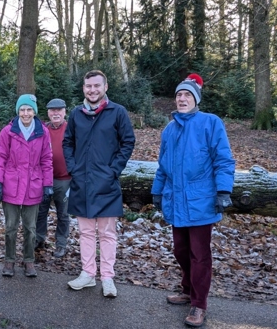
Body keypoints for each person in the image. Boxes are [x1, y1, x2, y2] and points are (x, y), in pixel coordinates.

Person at [151, 74, 235, 328]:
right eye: (178, 95)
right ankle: (187, 289)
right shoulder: (170, 129)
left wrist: (223, 190)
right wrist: (157, 191)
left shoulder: (211, 123)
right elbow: (163, 166)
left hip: (201, 201)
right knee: (181, 250)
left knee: (200, 254)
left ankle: (199, 304)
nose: (182, 98)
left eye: (187, 94)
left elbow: (223, 160)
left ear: (196, 98)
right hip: (176, 201)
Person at [63, 70, 135, 298]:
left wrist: (114, 170)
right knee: (85, 232)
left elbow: (128, 141)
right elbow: (67, 142)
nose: (92, 90)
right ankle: (87, 274)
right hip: (81, 181)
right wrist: (73, 168)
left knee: (107, 233)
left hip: (106, 183)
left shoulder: (117, 112)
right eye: (88, 86)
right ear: (83, 88)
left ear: (105, 87)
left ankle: (107, 277)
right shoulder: (76, 113)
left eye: (96, 86)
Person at [0, 94, 53, 277]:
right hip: (12, 183)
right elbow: (0, 157)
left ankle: (29, 261)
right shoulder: (8, 131)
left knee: (30, 228)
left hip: (33, 185)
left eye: (29, 109)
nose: (25, 113)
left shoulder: (42, 131)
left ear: (34, 111)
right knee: (11, 226)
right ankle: (9, 261)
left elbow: (46, 159)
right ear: (18, 111)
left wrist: (47, 184)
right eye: (22, 110)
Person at [35, 98, 71, 258]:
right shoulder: (42, 129)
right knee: (40, 211)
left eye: (59, 110)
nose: (55, 113)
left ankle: (61, 244)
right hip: (43, 179)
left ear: (64, 112)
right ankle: (39, 239)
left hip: (65, 180)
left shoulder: (71, 129)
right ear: (48, 113)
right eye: (52, 110)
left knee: (63, 214)